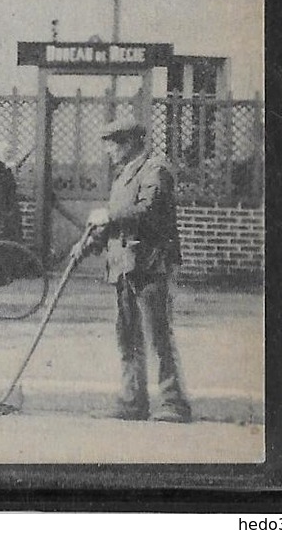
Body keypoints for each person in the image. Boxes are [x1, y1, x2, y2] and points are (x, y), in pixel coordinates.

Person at [84, 116, 192, 423]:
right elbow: (117, 223)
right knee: (128, 335)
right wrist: (90, 243)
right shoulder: (123, 176)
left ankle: (173, 402)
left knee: (157, 335)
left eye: (112, 145)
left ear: (130, 143)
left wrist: (109, 215)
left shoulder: (155, 170)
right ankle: (133, 401)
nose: (108, 151)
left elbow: (148, 209)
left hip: (150, 264)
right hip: (124, 266)